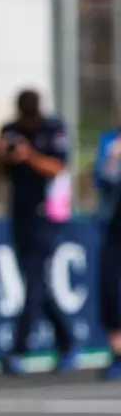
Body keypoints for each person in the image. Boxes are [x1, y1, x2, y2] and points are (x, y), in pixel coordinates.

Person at [0, 88, 80, 374]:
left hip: (48, 213)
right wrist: (1, 155)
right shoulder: (10, 130)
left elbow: (57, 168)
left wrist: (28, 156)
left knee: (34, 279)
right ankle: (67, 342)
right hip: (20, 213)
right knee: (36, 282)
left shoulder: (54, 129)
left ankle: (18, 348)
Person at [94, 107, 121, 379]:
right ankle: (117, 350)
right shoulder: (110, 142)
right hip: (113, 226)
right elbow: (100, 180)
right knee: (109, 288)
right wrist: (113, 160)